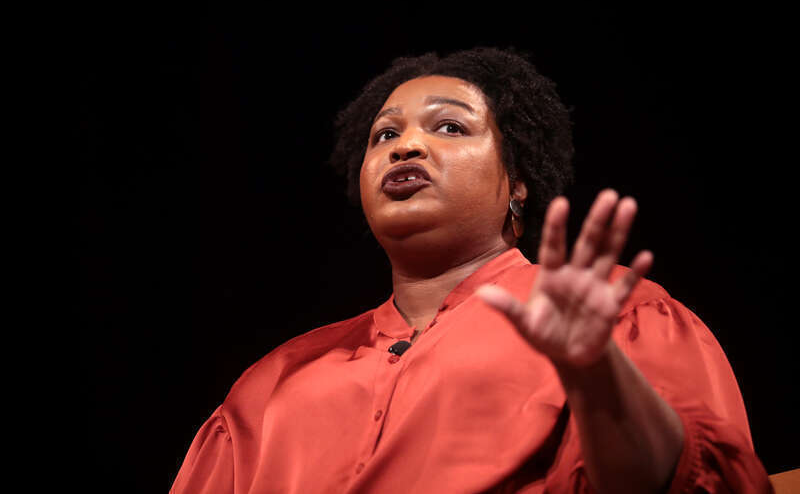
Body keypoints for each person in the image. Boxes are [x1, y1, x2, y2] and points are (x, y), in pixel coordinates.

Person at [170, 47, 773, 493]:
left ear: (517, 183)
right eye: (385, 135)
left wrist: (595, 373)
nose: (404, 147)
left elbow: (699, 483)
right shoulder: (269, 385)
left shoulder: (615, 309)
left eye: (450, 126)